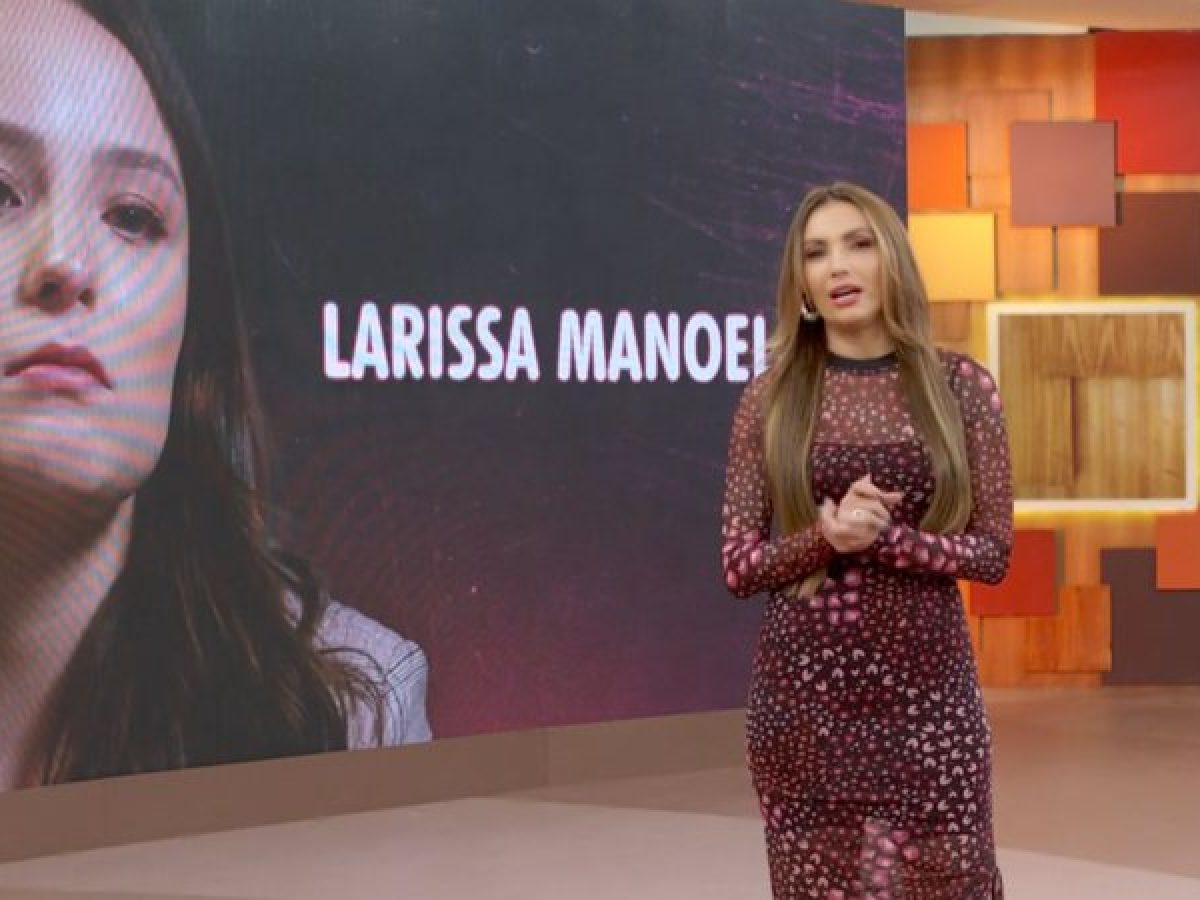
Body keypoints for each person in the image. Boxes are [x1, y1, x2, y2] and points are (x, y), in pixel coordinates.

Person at [0, 0, 429, 791]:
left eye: (132, 216)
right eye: (0, 195)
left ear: (189, 328)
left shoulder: (348, 711)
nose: (64, 262)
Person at [721, 182, 1011, 898]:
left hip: (930, 708)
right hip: (803, 709)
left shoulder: (961, 387)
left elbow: (993, 554)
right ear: (802, 283)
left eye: (858, 244)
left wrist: (887, 540)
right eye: (816, 253)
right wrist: (825, 536)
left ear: (892, 260)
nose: (838, 267)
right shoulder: (770, 397)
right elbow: (740, 566)